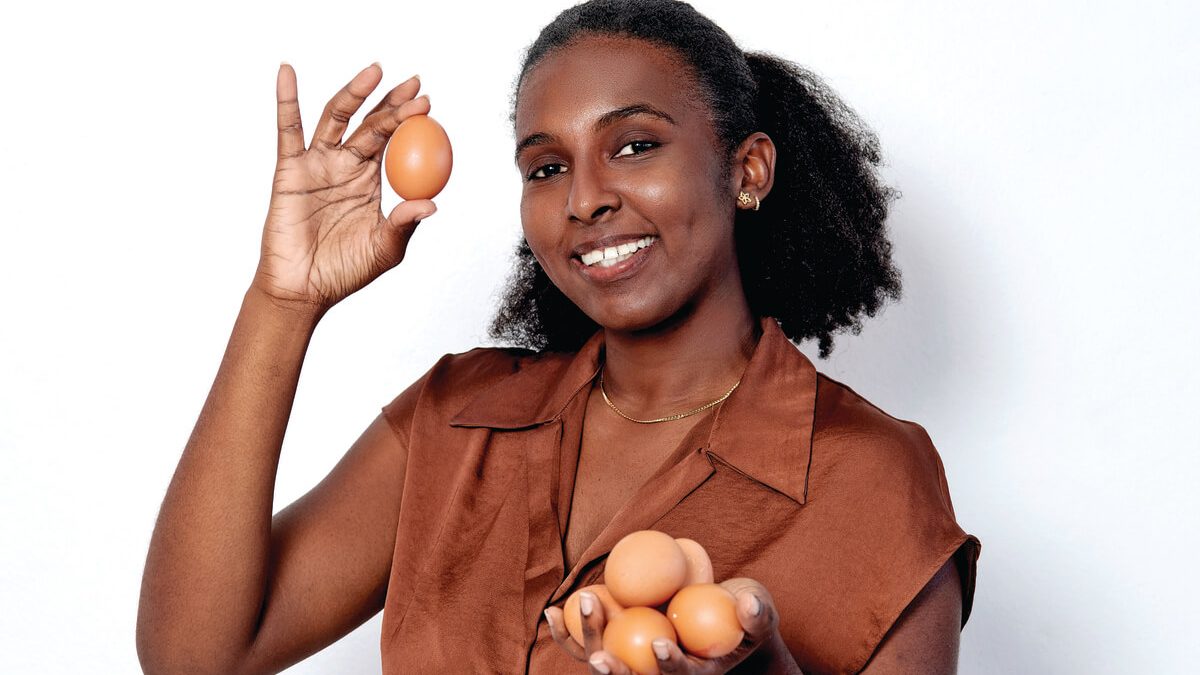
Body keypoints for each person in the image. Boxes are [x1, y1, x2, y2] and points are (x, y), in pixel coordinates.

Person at [136, 0, 980, 673]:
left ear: (746, 170)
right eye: (546, 166)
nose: (583, 199)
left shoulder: (866, 475)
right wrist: (283, 301)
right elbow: (195, 655)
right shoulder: (458, 417)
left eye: (636, 145)